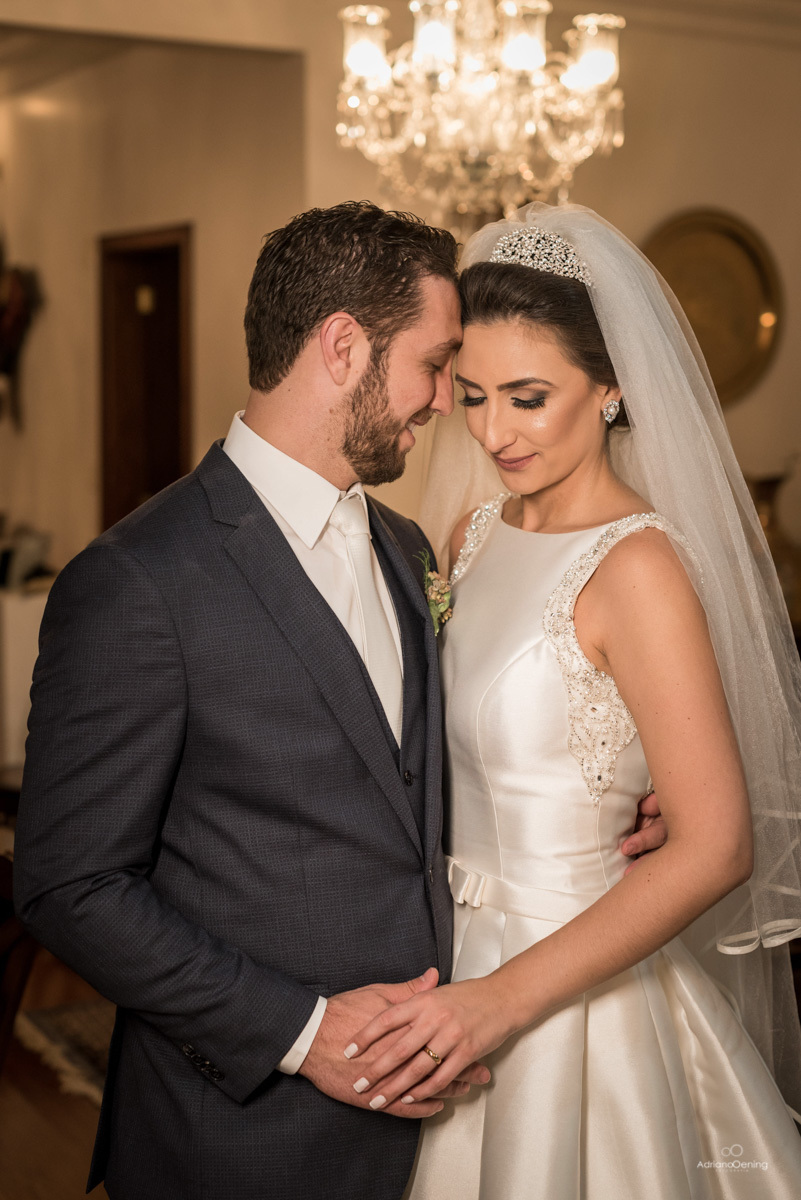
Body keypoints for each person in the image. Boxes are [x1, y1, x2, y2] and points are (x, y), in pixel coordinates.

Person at [13, 200, 665, 1200]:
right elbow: (69, 885)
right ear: (344, 346)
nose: (449, 401)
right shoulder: (139, 581)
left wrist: (633, 791)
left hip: (452, 1114)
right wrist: (304, 1034)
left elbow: (454, 750)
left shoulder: (410, 549)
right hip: (242, 1137)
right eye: (436, 364)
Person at [341, 204, 801, 1199]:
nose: (494, 431)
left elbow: (719, 844)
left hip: (571, 993)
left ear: (612, 388)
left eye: (529, 397)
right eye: (472, 396)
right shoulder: (470, 535)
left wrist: (501, 1003)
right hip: (445, 961)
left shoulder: (639, 568)